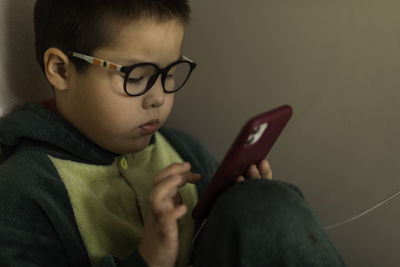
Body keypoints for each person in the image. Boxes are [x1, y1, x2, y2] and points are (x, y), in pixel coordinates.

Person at [0, 0, 345, 266]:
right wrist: (147, 261)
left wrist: (242, 209)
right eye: (136, 76)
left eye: (170, 73)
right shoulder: (25, 188)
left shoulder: (184, 151)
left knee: (267, 205)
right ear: (60, 69)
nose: (159, 97)